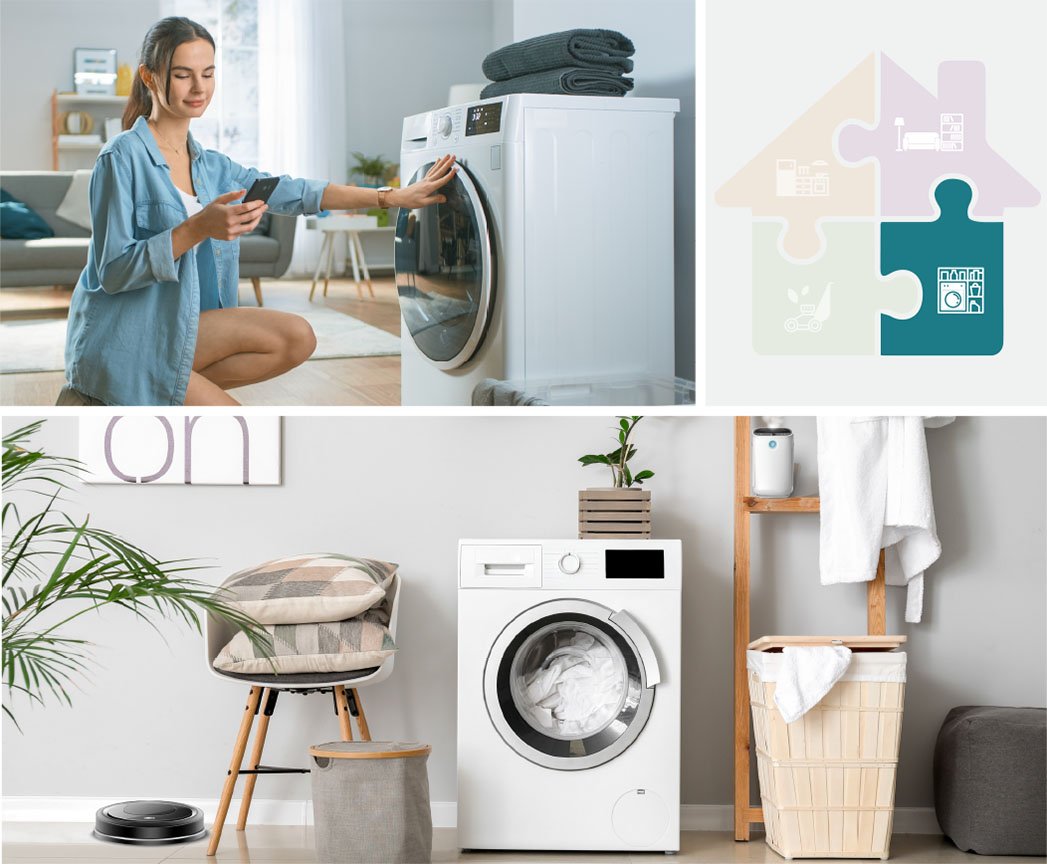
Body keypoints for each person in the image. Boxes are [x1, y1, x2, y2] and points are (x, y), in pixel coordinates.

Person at [60, 16, 456, 406]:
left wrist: (392, 197)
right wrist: (199, 227)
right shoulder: (121, 157)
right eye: (182, 75)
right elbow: (112, 271)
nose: (199, 87)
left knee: (297, 336)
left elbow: (298, 192)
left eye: (208, 73)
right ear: (149, 77)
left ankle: (138, 398)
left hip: (179, 329)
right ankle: (119, 386)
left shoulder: (213, 167)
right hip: (126, 337)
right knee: (245, 435)